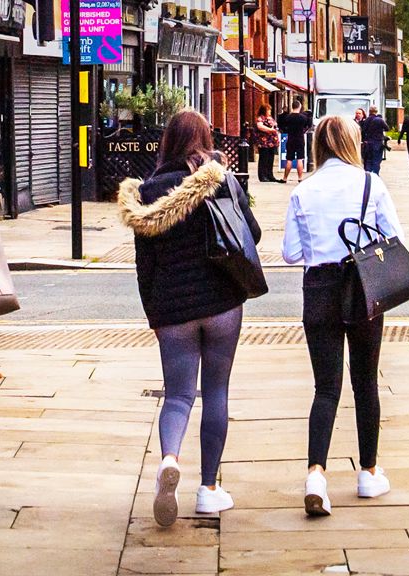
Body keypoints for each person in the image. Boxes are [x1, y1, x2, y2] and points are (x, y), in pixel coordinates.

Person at [117, 109, 261, 527]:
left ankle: (168, 460)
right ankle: (209, 490)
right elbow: (251, 233)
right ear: (205, 138)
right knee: (216, 392)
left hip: (173, 311)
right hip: (221, 304)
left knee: (178, 395)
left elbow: (145, 265)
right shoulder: (221, 180)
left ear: (167, 142)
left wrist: (155, 313)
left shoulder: (146, 193)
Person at [282, 115, 405, 517]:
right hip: (364, 287)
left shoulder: (304, 190)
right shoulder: (371, 184)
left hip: (319, 288)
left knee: (326, 387)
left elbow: (290, 253)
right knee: (365, 381)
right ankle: (368, 473)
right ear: (353, 142)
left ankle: (316, 473)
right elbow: (396, 238)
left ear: (317, 144)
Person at [282, 100, 312, 183]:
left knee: (289, 159)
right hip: (300, 138)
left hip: (291, 138)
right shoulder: (303, 117)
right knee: (300, 159)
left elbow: (283, 126)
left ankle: (285, 178)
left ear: (292, 107)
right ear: (299, 106)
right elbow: (308, 125)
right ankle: (300, 178)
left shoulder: (288, 117)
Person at [254, 104, 282, 183]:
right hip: (264, 142)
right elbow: (260, 127)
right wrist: (270, 130)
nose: (269, 111)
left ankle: (270, 175)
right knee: (264, 158)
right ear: (264, 111)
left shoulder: (270, 118)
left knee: (270, 159)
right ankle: (263, 176)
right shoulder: (260, 118)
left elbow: (275, 125)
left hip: (271, 142)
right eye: (268, 110)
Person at [360, 106, 389, 174]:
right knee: (376, 160)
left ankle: (367, 174)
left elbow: (363, 131)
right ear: (376, 111)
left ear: (369, 111)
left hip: (368, 143)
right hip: (377, 143)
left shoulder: (366, 120)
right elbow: (387, 128)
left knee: (368, 161)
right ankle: (375, 176)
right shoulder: (379, 120)